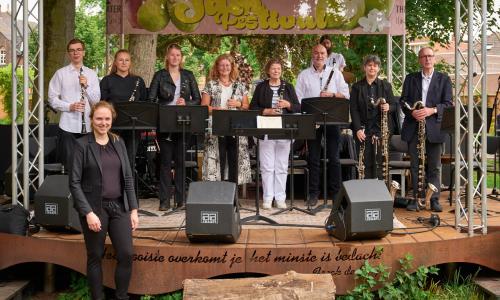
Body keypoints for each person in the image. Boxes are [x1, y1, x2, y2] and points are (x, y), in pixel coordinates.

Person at [70, 101, 138, 300]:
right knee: (95, 256)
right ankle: (97, 297)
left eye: (107, 118)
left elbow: (128, 177)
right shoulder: (81, 145)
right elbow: (74, 183)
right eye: (99, 118)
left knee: (126, 254)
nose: (103, 122)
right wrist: (88, 213)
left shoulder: (118, 142)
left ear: (112, 119)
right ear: (91, 120)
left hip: (119, 206)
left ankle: (121, 296)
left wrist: (133, 209)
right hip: (94, 209)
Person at [148, 43, 201, 211]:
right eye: (172, 55)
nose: (175, 58)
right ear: (167, 57)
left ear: (181, 57)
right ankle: (164, 200)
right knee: (164, 162)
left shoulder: (188, 75)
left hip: (183, 122)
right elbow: (151, 100)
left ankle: (180, 199)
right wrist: (164, 108)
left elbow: (198, 99)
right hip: (165, 122)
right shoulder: (159, 75)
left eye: (178, 55)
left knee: (180, 162)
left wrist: (187, 102)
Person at [296, 44, 350, 206]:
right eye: (316, 53)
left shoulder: (336, 74)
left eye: (322, 53)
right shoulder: (304, 75)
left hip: (332, 120)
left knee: (334, 158)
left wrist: (332, 94)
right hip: (312, 121)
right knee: (313, 158)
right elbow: (298, 99)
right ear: (312, 55)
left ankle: (336, 195)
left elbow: (346, 95)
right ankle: (313, 194)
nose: (319, 56)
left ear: (327, 56)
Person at [400, 47, 453, 212]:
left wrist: (432, 110)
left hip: (434, 128)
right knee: (415, 165)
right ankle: (417, 198)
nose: (427, 59)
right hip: (414, 126)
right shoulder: (410, 78)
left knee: (434, 166)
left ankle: (434, 199)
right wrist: (412, 112)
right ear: (419, 60)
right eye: (424, 56)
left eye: (430, 56)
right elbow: (403, 101)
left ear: (434, 59)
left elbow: (448, 104)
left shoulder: (444, 79)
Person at [250, 58, 300, 209]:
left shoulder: (289, 87)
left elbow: (298, 107)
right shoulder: (261, 87)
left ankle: (280, 198)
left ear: (281, 70)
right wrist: (267, 111)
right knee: (267, 166)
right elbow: (252, 107)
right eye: (273, 69)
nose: (276, 71)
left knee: (281, 166)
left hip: (284, 130)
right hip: (266, 129)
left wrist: (288, 105)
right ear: (268, 71)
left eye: (278, 69)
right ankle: (267, 198)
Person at [48, 38, 100, 172]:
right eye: (72, 50)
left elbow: (96, 101)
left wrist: (86, 86)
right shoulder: (60, 74)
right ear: (68, 54)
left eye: (78, 50)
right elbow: (52, 99)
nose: (75, 53)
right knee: (69, 166)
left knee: (88, 166)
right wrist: (69, 107)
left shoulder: (92, 74)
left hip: (88, 126)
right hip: (67, 127)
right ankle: (69, 193)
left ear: (84, 52)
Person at [201, 54, 251, 185]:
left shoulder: (240, 86)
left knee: (235, 160)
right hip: (216, 126)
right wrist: (217, 110)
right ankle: (219, 193)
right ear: (217, 67)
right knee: (219, 159)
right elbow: (204, 108)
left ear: (232, 67)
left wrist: (238, 104)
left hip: (236, 127)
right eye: (222, 65)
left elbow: (247, 107)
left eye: (227, 65)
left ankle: (233, 196)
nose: (225, 68)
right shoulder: (210, 85)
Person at [100, 49, 148, 170]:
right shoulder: (107, 80)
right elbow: (102, 102)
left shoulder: (138, 81)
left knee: (130, 160)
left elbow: (145, 103)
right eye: (120, 60)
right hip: (113, 126)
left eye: (127, 60)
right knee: (114, 159)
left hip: (133, 126)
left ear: (130, 62)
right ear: (115, 62)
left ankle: (128, 188)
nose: (124, 62)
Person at [350, 55, 395, 179]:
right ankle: (367, 193)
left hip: (381, 130)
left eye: (375, 65)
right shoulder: (356, 87)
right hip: (363, 130)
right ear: (364, 67)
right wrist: (358, 129)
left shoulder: (386, 86)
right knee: (365, 163)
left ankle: (381, 193)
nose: (372, 68)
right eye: (369, 65)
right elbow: (353, 110)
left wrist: (388, 107)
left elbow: (395, 105)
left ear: (379, 69)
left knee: (381, 163)